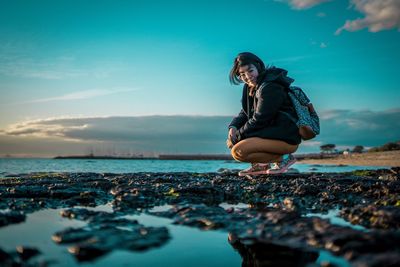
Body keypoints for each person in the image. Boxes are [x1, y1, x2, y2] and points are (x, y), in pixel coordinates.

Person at [227, 52, 301, 176]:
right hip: (270, 133)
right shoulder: (251, 86)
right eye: (242, 74)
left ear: (258, 66)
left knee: (239, 150)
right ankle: (261, 165)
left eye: (250, 71)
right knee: (232, 141)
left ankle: (284, 158)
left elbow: (261, 118)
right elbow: (245, 111)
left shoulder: (270, 86)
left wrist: (240, 135)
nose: (247, 76)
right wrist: (233, 127)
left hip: (285, 136)